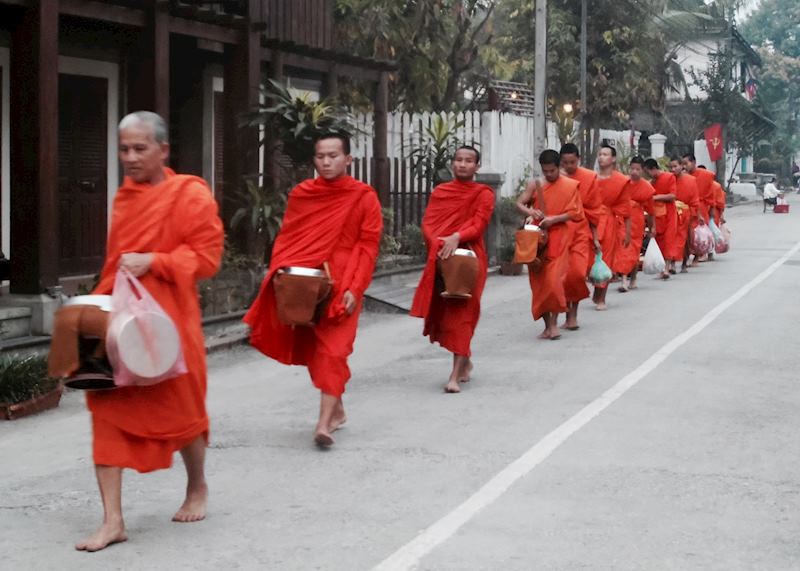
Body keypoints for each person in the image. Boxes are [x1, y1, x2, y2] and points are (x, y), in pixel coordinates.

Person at [76, 111, 224, 551]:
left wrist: (155, 261)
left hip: (170, 319)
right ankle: (113, 520)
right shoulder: (126, 197)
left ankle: (196, 485)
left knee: (183, 410)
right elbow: (114, 262)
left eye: (140, 148)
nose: (130, 157)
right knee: (104, 406)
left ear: (164, 150)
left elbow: (208, 258)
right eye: (124, 148)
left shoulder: (190, 195)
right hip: (117, 315)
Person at [244, 133, 382, 448]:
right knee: (315, 351)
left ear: (348, 159)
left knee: (334, 350)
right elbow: (288, 239)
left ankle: (322, 424)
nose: (326, 161)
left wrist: (355, 287)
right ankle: (336, 410)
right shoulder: (303, 194)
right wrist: (282, 276)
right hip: (306, 283)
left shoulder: (363, 196)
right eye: (321, 156)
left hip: (345, 280)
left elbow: (368, 244)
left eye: (334, 155)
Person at [410, 146, 495, 394]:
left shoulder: (484, 194)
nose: (463, 164)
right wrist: (439, 242)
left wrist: (457, 237)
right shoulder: (441, 192)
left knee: (464, 314)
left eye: (469, 161)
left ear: (477, 166)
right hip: (443, 258)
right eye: (459, 160)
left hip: (470, 260)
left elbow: (479, 224)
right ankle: (464, 359)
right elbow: (428, 222)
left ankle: (454, 375)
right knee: (448, 315)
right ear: (452, 164)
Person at [516, 150, 583, 340]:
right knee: (539, 284)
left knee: (554, 282)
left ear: (558, 167)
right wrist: (531, 210)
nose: (549, 175)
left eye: (552, 171)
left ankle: (553, 325)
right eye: (546, 171)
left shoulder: (570, 185)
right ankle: (547, 325)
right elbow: (519, 204)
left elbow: (576, 213)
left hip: (559, 236)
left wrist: (554, 219)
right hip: (537, 239)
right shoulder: (535, 185)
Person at [560, 143, 604, 330]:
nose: (569, 166)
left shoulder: (588, 177)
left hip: (580, 231)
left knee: (577, 274)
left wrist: (595, 237)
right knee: (560, 277)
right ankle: (565, 315)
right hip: (559, 232)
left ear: (578, 159)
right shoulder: (554, 178)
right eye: (565, 162)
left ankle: (573, 314)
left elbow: (594, 210)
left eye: (572, 162)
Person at [593, 145, 631, 310]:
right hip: (591, 221)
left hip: (608, 223)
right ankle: (596, 287)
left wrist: (628, 233)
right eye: (600, 154)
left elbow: (625, 207)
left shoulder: (621, 181)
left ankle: (601, 297)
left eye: (606, 154)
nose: (602, 157)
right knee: (589, 260)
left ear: (613, 159)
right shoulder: (590, 178)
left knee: (605, 259)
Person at [616, 157, 655, 291]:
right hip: (622, 220)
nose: (634, 172)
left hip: (637, 221)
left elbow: (650, 211)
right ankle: (624, 280)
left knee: (634, 251)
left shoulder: (647, 188)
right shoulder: (622, 183)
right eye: (632, 168)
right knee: (623, 250)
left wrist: (652, 227)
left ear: (642, 170)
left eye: (637, 169)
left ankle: (633, 277)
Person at [644, 158, 678, 278]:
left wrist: (656, 197)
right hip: (656, 215)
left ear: (653, 169)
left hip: (669, 213)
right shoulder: (650, 183)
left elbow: (673, 195)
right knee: (659, 241)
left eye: (647, 171)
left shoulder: (669, 177)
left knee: (668, 239)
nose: (648, 175)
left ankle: (666, 268)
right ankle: (662, 267)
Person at [669, 156, 701, 272]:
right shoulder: (668, 179)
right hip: (672, 213)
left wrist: (695, 214)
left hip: (686, 213)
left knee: (686, 240)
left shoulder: (690, 180)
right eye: (671, 167)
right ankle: (671, 263)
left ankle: (684, 262)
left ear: (681, 166)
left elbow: (695, 199)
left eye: (675, 166)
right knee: (671, 238)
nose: (673, 169)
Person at [682, 154, 715, 227]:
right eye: (683, 164)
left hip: (702, 208)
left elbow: (711, 193)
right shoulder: (683, 176)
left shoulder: (706, 175)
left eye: (686, 163)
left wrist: (712, 208)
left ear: (693, 162)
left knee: (702, 234)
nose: (684, 166)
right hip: (687, 209)